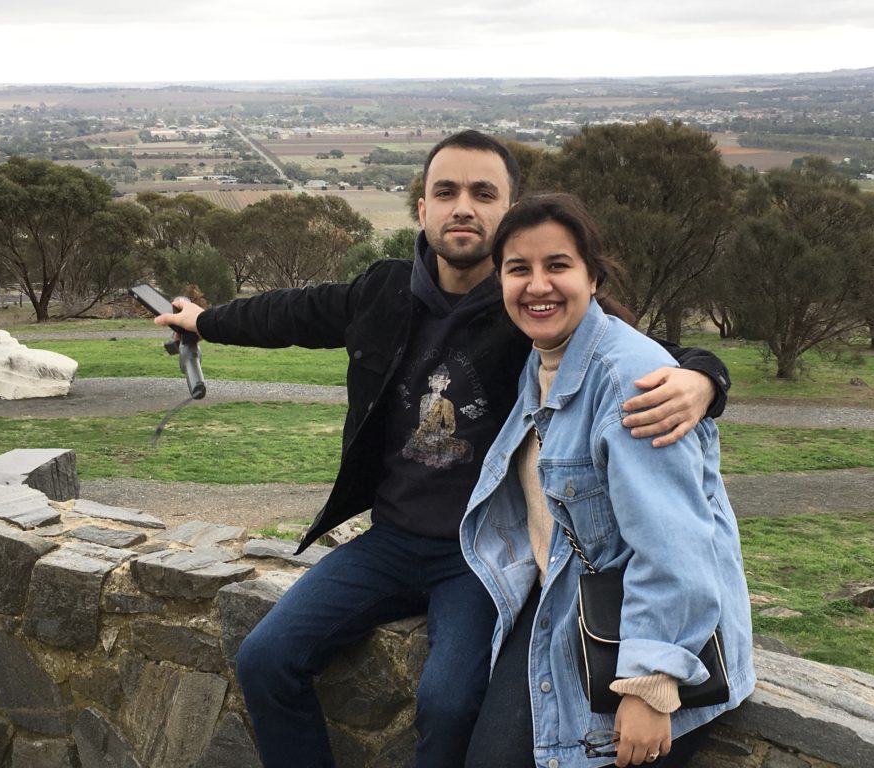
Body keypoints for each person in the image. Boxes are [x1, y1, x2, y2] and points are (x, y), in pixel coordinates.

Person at [154, 131, 733, 768]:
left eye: (484, 194)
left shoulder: (529, 308)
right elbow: (293, 314)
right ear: (422, 210)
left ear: (508, 212)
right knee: (265, 658)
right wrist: (203, 322)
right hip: (390, 539)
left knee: (449, 703)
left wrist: (705, 380)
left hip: (480, 553)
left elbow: (632, 351)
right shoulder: (383, 291)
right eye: (446, 192)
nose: (464, 207)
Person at [461, 193, 755, 768]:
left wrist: (650, 687)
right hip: (565, 604)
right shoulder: (542, 361)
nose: (537, 285)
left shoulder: (628, 383)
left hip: (643, 637)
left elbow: (676, 547)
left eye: (558, 265)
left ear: (593, 275)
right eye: (519, 269)